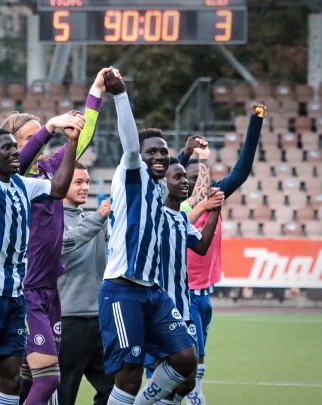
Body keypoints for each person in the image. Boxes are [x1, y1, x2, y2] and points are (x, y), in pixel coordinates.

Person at [2, 68, 112, 405]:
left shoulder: (51, 173)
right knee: (45, 380)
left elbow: (84, 136)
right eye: (29, 137)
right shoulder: (12, 179)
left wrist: (95, 93)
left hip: (51, 291)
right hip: (25, 290)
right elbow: (21, 161)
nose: (40, 142)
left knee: (40, 379)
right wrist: (49, 126)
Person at [0, 110, 78, 405]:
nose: (15, 152)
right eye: (7, 148)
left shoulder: (24, 185)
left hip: (14, 294)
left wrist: (72, 142)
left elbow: (59, 188)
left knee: (11, 378)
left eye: (15, 146)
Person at [99, 69, 196, 405]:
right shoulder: (132, 172)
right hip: (123, 290)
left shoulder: (157, 187)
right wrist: (120, 95)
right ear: (140, 157)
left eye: (163, 152)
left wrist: (183, 156)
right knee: (129, 375)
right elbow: (129, 142)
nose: (158, 156)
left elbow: (174, 172)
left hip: (152, 293)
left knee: (186, 360)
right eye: (151, 152)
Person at [177, 105, 265, 405]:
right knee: (193, 351)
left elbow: (241, 171)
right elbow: (197, 191)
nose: (191, 179)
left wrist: (256, 122)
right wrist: (198, 160)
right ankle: (194, 396)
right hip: (184, 291)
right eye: (184, 175)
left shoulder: (215, 192)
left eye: (195, 175)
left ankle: (189, 393)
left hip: (205, 292)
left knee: (201, 349)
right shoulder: (177, 206)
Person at [149, 157, 221, 404]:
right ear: (162, 183)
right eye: (177, 177)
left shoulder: (181, 219)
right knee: (167, 369)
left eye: (184, 177)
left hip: (183, 307)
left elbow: (201, 246)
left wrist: (214, 211)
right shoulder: (154, 217)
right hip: (159, 306)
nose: (184, 182)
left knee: (187, 377)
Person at [57, 162, 113, 405]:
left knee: (115, 389)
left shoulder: (94, 220)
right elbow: (63, 246)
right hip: (68, 320)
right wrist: (98, 218)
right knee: (63, 393)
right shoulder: (51, 220)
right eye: (78, 182)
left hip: (99, 320)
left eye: (87, 182)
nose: (85, 187)